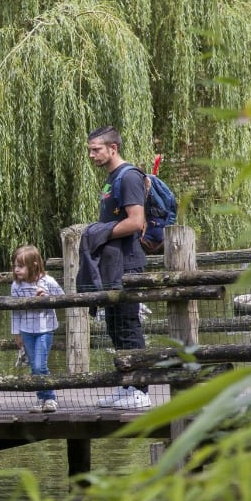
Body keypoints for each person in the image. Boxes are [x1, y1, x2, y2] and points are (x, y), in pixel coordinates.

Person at [86, 125, 151, 410]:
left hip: (128, 264)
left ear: (113, 149)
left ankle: (141, 390)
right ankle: (126, 386)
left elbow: (136, 222)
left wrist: (98, 233)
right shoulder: (112, 178)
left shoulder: (129, 177)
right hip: (112, 265)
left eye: (96, 149)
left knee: (127, 324)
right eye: (89, 150)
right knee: (114, 325)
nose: (91, 155)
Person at [9, 244, 64, 413]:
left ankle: (50, 398)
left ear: (33, 265)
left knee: (41, 365)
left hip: (44, 329)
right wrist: (16, 333)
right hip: (26, 330)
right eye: (15, 266)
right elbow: (15, 311)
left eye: (20, 266)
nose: (16, 270)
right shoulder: (16, 286)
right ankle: (42, 399)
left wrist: (47, 298)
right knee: (34, 366)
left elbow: (63, 298)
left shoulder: (48, 282)